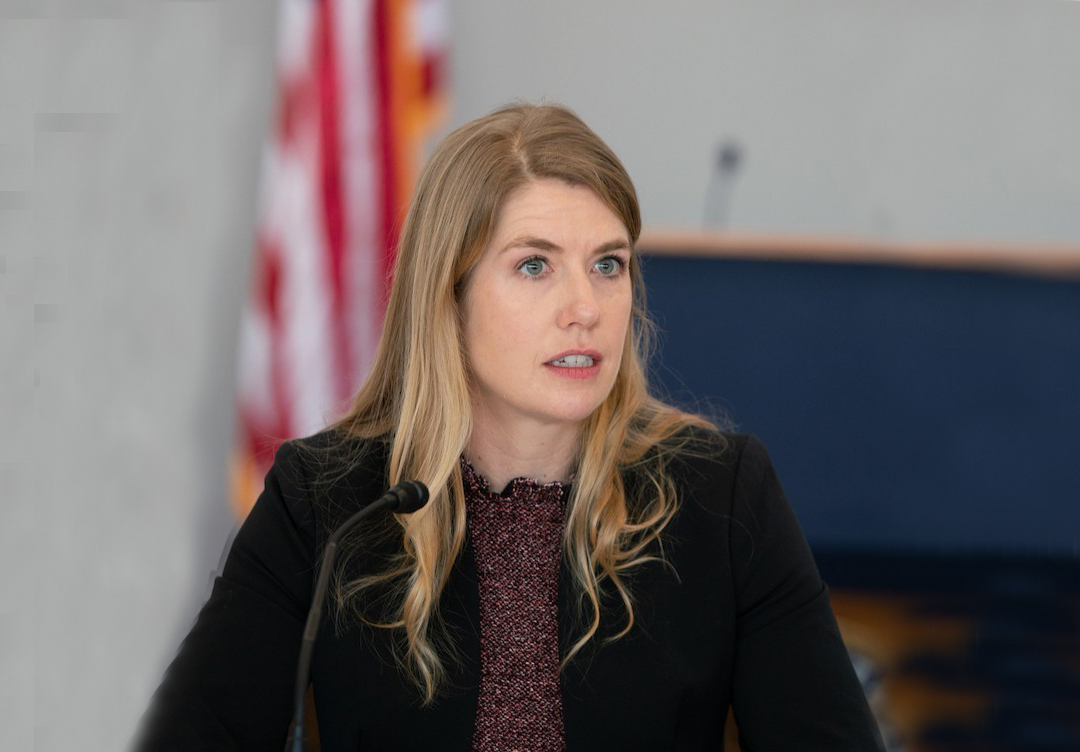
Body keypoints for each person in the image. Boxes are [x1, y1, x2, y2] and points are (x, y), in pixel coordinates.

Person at [134, 103, 884, 751]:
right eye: (535, 266)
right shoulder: (330, 501)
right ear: (448, 295)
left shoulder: (720, 496)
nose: (584, 307)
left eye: (609, 265)